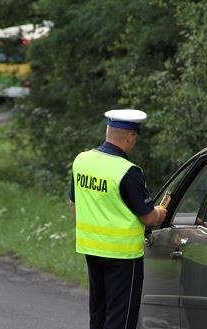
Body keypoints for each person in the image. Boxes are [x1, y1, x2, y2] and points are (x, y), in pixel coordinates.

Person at [69, 109, 168, 329]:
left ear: (108, 130)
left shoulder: (82, 160)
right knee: (120, 318)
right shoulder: (128, 171)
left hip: (91, 249)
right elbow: (149, 218)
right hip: (123, 256)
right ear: (131, 136)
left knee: (99, 312)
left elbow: (73, 204)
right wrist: (160, 212)